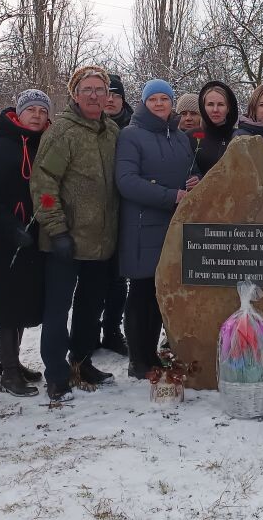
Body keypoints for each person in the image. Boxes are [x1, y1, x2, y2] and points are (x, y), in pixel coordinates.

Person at [31, 66, 119, 402]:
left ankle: (81, 362)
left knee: (90, 307)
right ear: (75, 93)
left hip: (101, 241)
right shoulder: (62, 132)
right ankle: (55, 374)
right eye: (88, 89)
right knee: (58, 309)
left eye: (101, 89)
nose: (95, 95)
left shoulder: (111, 131)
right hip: (64, 241)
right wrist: (56, 229)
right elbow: (44, 184)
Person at [115, 80, 197, 378]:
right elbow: (126, 180)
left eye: (165, 98)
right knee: (141, 291)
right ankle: (139, 358)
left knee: (162, 292)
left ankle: (152, 354)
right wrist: (171, 195)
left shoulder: (179, 136)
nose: (160, 104)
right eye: (154, 99)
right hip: (142, 226)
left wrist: (194, 181)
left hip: (174, 226)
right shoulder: (131, 135)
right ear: (144, 102)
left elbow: (190, 169)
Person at [0, 90, 53, 397]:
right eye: (30, 110)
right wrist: (11, 228)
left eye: (41, 110)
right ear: (18, 114)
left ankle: (13, 361)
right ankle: (8, 371)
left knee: (23, 298)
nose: (36, 115)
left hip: (36, 234)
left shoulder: (46, 146)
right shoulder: (2, 148)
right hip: (6, 236)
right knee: (7, 302)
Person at [99, 73, 132, 356]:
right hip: (95, 212)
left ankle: (112, 328)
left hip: (126, 210)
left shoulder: (133, 127)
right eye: (106, 94)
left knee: (119, 277)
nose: (110, 99)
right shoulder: (89, 125)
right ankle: (87, 330)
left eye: (116, 95)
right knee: (93, 276)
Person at [192, 81, 240, 175]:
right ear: (203, 107)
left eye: (221, 104)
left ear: (228, 108)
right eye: (210, 104)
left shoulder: (239, 137)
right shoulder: (190, 137)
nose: (215, 110)